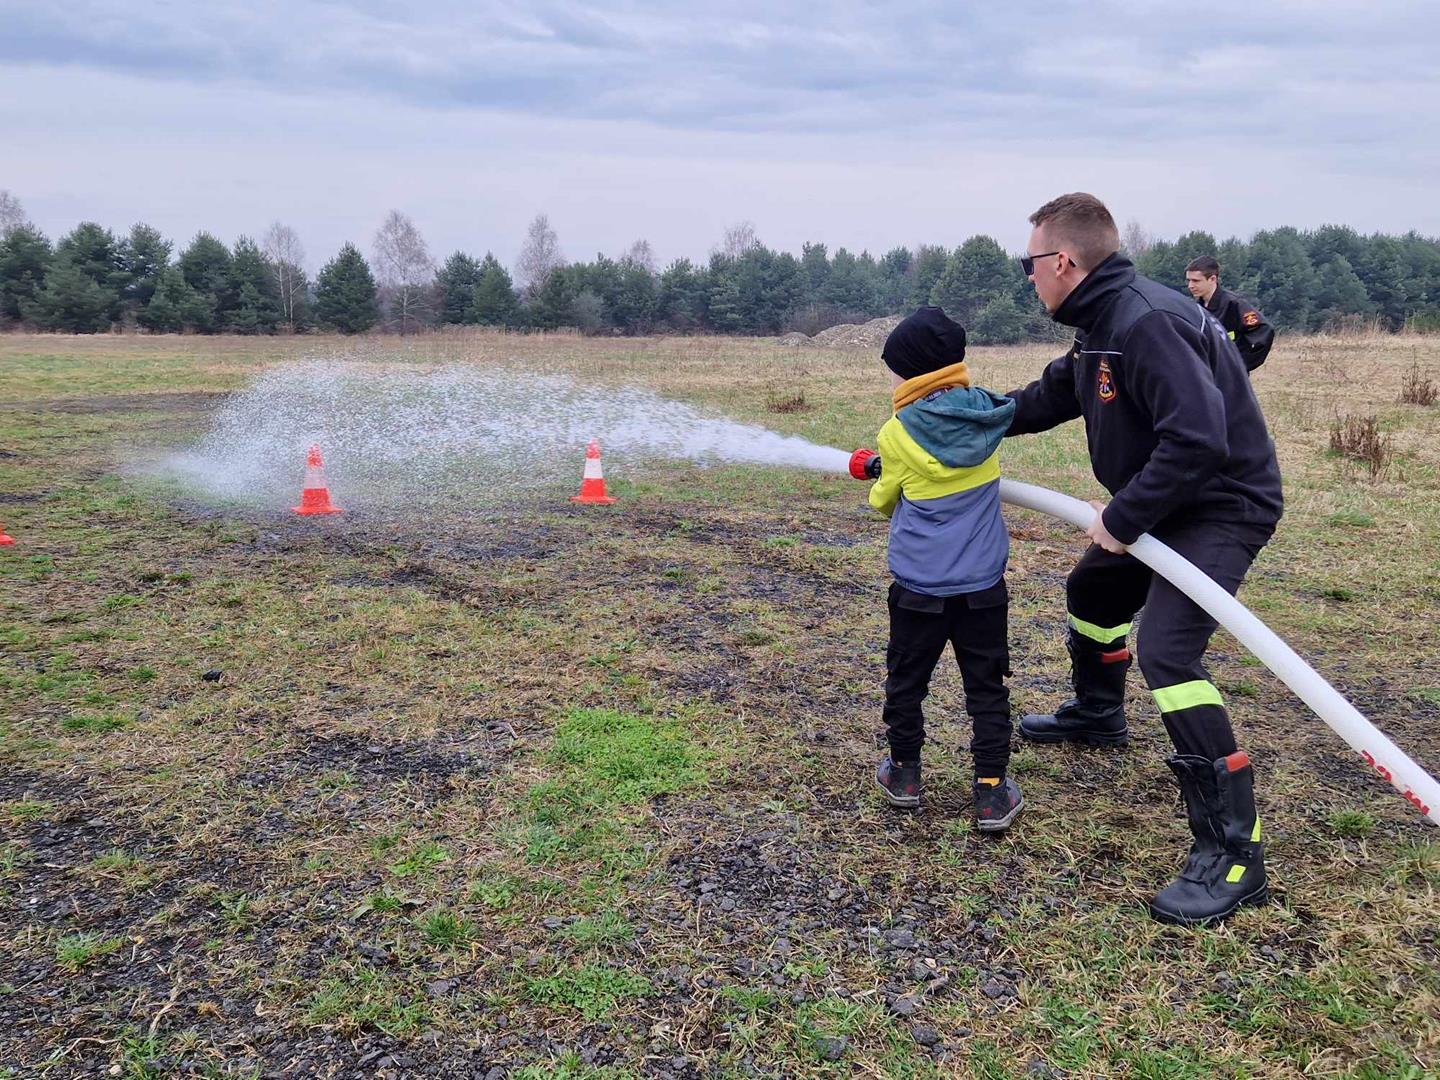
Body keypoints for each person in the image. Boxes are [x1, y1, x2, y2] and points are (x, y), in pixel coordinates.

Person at [1005, 193, 1283, 925]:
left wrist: (1123, 518)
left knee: (1167, 652)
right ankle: (1098, 716)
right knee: (1094, 595)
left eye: (1030, 263)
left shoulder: (1146, 321)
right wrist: (970, 422)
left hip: (1220, 505)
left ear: (1063, 261)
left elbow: (1198, 440)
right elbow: (1055, 393)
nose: (1028, 277)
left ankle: (1234, 850)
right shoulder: (1102, 320)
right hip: (1168, 503)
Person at [850, 306, 1022, 832]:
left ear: (916, 371)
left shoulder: (896, 432)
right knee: (987, 686)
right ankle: (991, 789)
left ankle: (904, 772)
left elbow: (885, 500)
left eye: (897, 369)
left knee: (907, 679)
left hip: (919, 590)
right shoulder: (988, 417)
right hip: (982, 589)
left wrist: (879, 476)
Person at [1185, 256, 1275, 372]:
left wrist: (1241, 365)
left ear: (1212, 279)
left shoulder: (1235, 305)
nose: (1190, 286)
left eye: (1196, 281)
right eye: (1189, 280)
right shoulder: (1196, 308)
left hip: (1230, 378)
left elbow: (1265, 330)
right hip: (1205, 374)